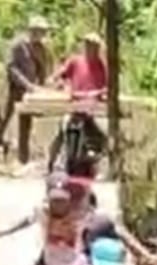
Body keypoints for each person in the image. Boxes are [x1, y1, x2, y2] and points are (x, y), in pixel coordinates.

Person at [0, 17, 53, 162]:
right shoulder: (18, 45)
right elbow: (11, 67)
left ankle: (23, 158)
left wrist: (42, 87)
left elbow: (42, 70)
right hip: (11, 88)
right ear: (32, 30)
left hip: (28, 92)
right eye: (39, 31)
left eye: (43, 31)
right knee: (3, 119)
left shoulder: (41, 48)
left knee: (25, 123)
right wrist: (26, 84)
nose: (41, 34)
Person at [48, 34, 109, 174]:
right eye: (88, 45)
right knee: (63, 127)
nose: (90, 48)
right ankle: (52, 162)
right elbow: (58, 77)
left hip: (94, 107)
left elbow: (107, 86)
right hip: (74, 104)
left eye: (94, 46)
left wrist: (97, 93)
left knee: (103, 132)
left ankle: (99, 162)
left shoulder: (101, 65)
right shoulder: (75, 61)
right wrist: (61, 85)